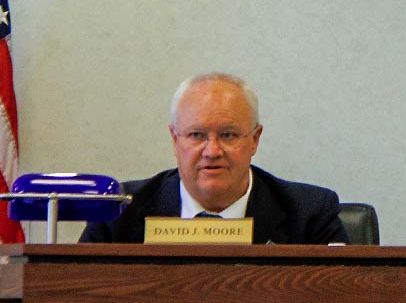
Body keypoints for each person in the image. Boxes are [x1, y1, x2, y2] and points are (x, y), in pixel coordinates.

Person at [80, 72, 348, 245]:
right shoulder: (118, 210)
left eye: (228, 135)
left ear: (254, 139)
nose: (212, 151)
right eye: (196, 135)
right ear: (175, 139)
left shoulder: (310, 214)